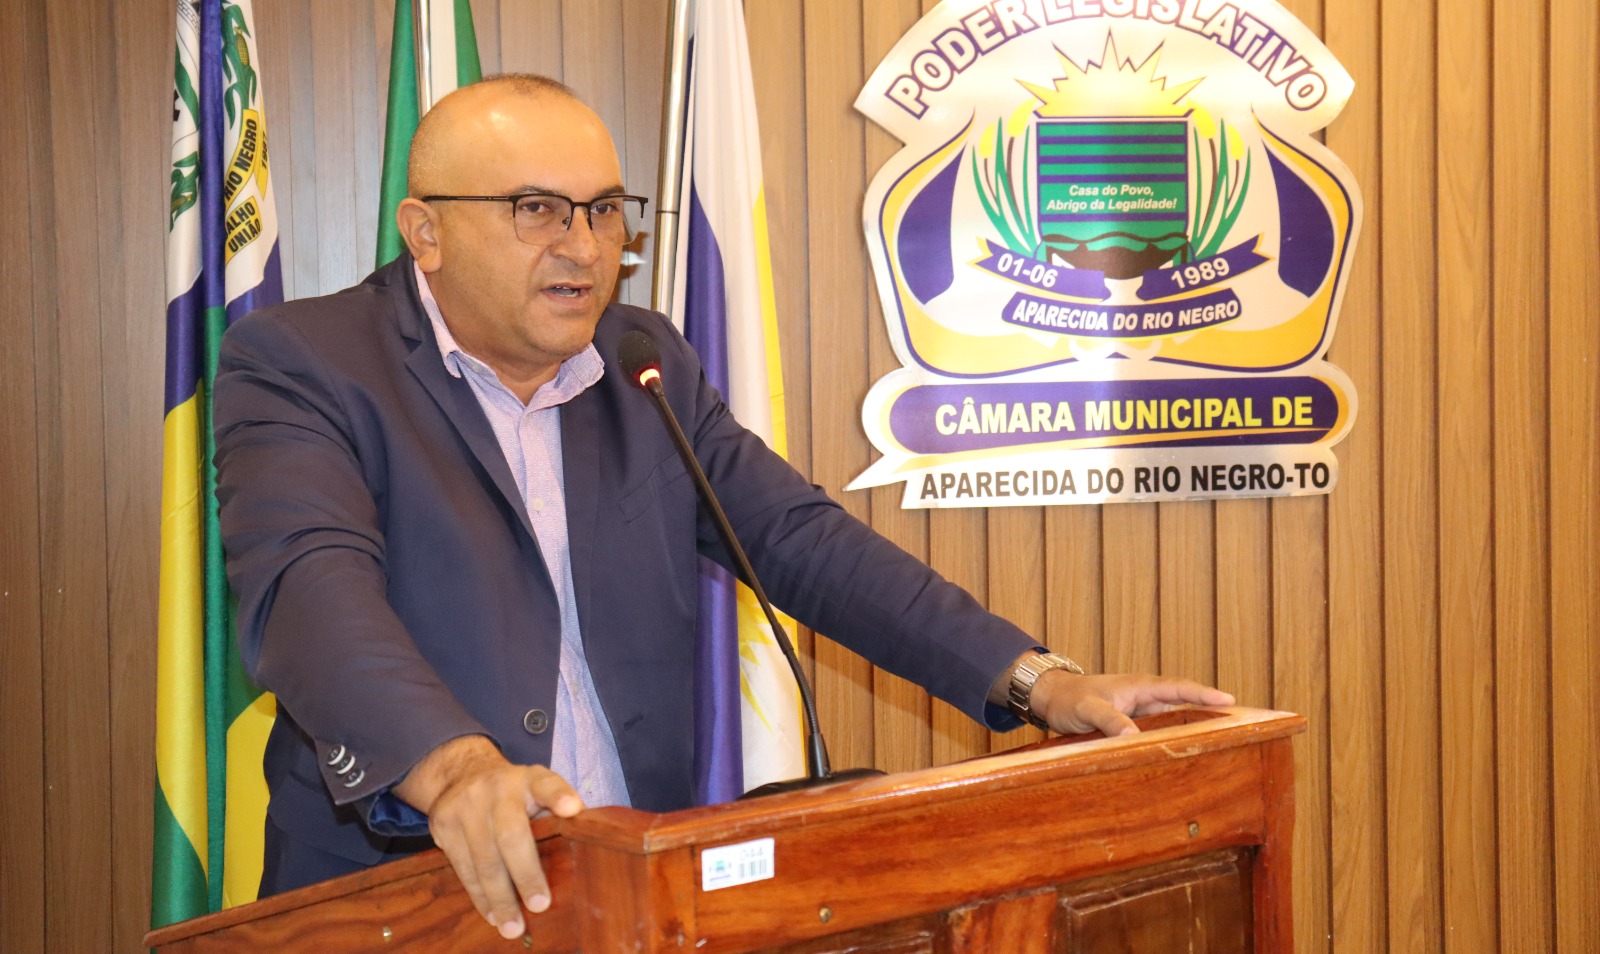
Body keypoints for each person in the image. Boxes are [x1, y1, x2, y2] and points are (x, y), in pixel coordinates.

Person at [213, 74, 1233, 941]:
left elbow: (796, 537)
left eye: (604, 210)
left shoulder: (641, 362)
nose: (585, 247)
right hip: (402, 895)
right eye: (537, 210)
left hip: (630, 888)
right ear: (426, 233)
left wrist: (1037, 680)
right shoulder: (305, 362)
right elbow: (309, 590)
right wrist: (453, 769)